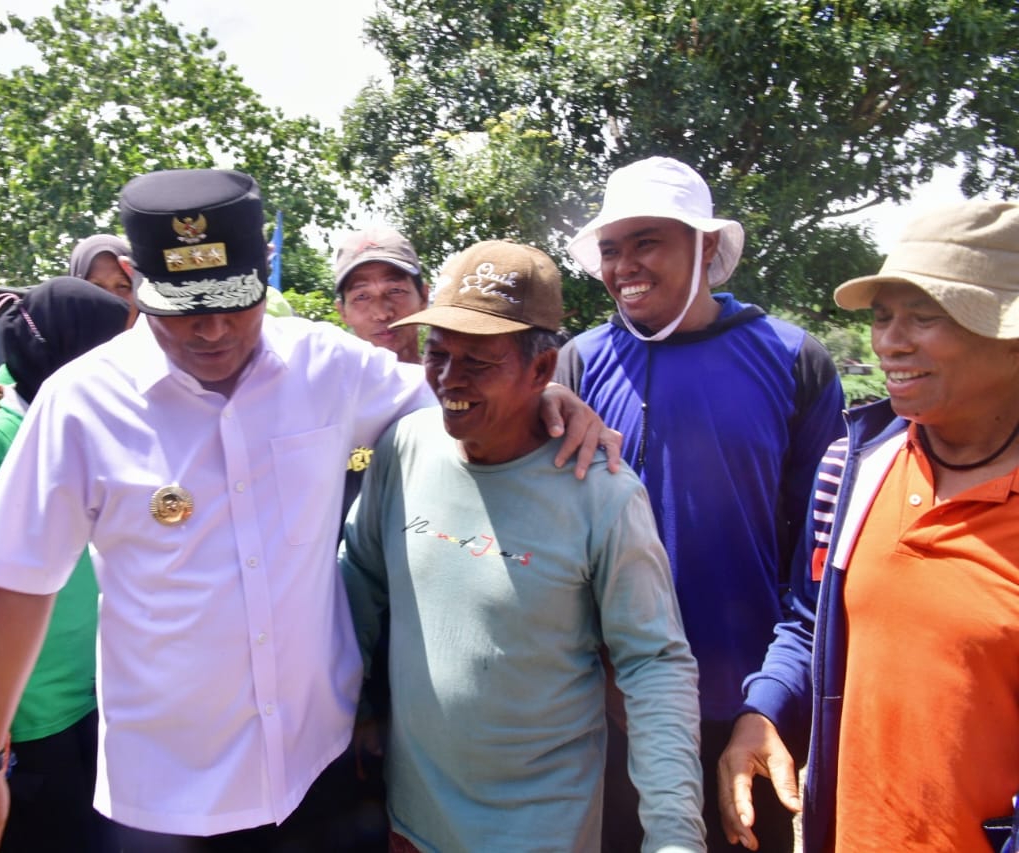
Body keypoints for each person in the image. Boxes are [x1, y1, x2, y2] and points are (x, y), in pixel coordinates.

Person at [0, 168, 612, 853]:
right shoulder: (82, 402)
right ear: (136, 282)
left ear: (263, 273)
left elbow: (459, 401)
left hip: (316, 768)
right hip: (168, 795)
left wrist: (551, 401)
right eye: (184, 308)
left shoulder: (325, 366)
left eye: (236, 301)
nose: (213, 329)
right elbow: (19, 583)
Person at [342, 239, 704, 852]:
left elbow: (653, 663)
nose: (449, 379)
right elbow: (359, 580)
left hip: (540, 831)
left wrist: (673, 833)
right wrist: (348, 711)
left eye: (478, 362)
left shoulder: (602, 495)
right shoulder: (405, 447)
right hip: (413, 824)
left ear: (542, 370)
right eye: (437, 354)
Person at [556, 156, 845, 852]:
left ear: (707, 246)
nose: (625, 264)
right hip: (608, 716)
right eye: (610, 249)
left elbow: (822, 565)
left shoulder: (793, 360)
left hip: (745, 714)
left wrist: (771, 703)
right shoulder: (575, 367)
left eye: (647, 241)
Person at [718, 200, 1019, 853]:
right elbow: (811, 620)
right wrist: (763, 709)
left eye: (924, 316)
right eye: (883, 316)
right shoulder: (855, 470)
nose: (890, 341)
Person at [0, 277, 129, 852]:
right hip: (34, 704)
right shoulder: (0, 438)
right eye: (115, 344)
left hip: (94, 685)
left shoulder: (80, 424)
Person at [333, 226, 428, 365]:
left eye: (395, 291)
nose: (382, 314)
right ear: (342, 312)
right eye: (361, 297)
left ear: (423, 297)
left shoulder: (456, 384)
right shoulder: (326, 386)